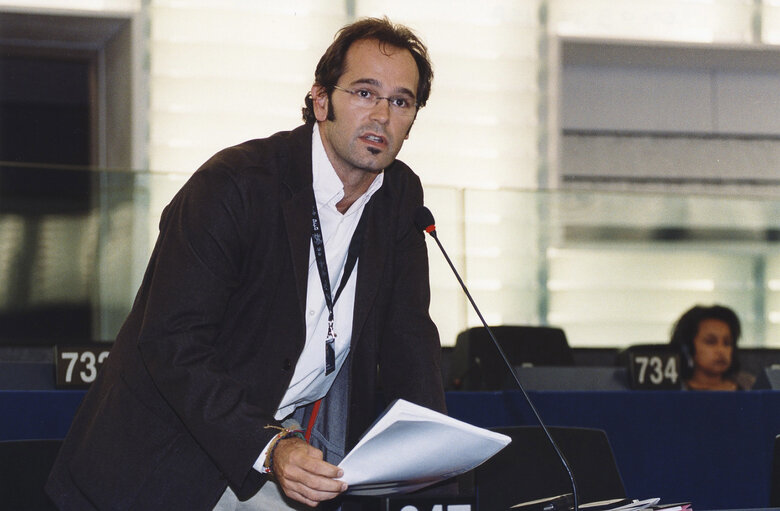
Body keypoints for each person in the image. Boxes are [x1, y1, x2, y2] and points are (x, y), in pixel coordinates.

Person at [46, 17, 447, 511]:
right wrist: (270, 446)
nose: (382, 116)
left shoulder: (401, 195)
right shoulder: (233, 186)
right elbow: (172, 343)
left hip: (285, 438)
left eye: (401, 101)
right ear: (321, 100)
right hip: (166, 450)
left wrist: (433, 447)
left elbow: (409, 335)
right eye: (365, 93)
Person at [669, 304, 754, 391]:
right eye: (710, 342)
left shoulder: (749, 385)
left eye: (727, 343)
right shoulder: (672, 389)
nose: (721, 350)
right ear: (688, 346)